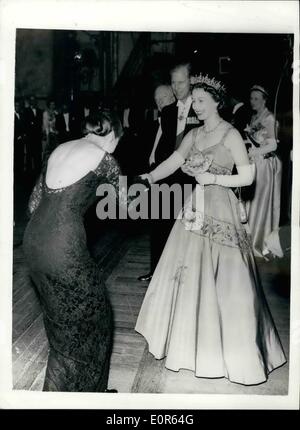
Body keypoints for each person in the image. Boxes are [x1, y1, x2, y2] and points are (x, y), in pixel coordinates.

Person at [135, 74, 286, 386]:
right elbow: (174, 162)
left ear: (218, 102)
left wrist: (215, 179)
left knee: (229, 283)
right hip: (196, 209)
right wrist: (149, 177)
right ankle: (191, 348)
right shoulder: (192, 134)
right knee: (190, 276)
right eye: (194, 101)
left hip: (222, 208)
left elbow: (246, 177)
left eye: (202, 101)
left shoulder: (230, 134)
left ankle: (234, 354)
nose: (197, 107)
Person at [23, 110, 124, 392]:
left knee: (63, 328)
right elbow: (129, 204)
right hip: (63, 247)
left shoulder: (60, 149)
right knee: (96, 320)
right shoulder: (106, 161)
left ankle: (62, 395)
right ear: (112, 136)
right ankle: (91, 395)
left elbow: (32, 206)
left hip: (33, 243)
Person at [138, 62, 201, 282]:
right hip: (167, 174)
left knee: (189, 228)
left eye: (181, 82)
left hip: (194, 178)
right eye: (173, 82)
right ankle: (156, 272)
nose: (176, 87)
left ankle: (186, 277)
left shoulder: (201, 108)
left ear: (192, 81)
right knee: (159, 223)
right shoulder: (168, 112)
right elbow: (163, 143)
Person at [244, 85, 282, 258]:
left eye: (256, 99)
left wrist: (253, 152)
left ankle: (260, 242)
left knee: (261, 203)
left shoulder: (269, 118)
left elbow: (273, 145)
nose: (253, 102)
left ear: (265, 100)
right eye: (251, 98)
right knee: (252, 202)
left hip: (266, 165)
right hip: (256, 164)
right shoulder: (255, 117)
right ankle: (250, 239)